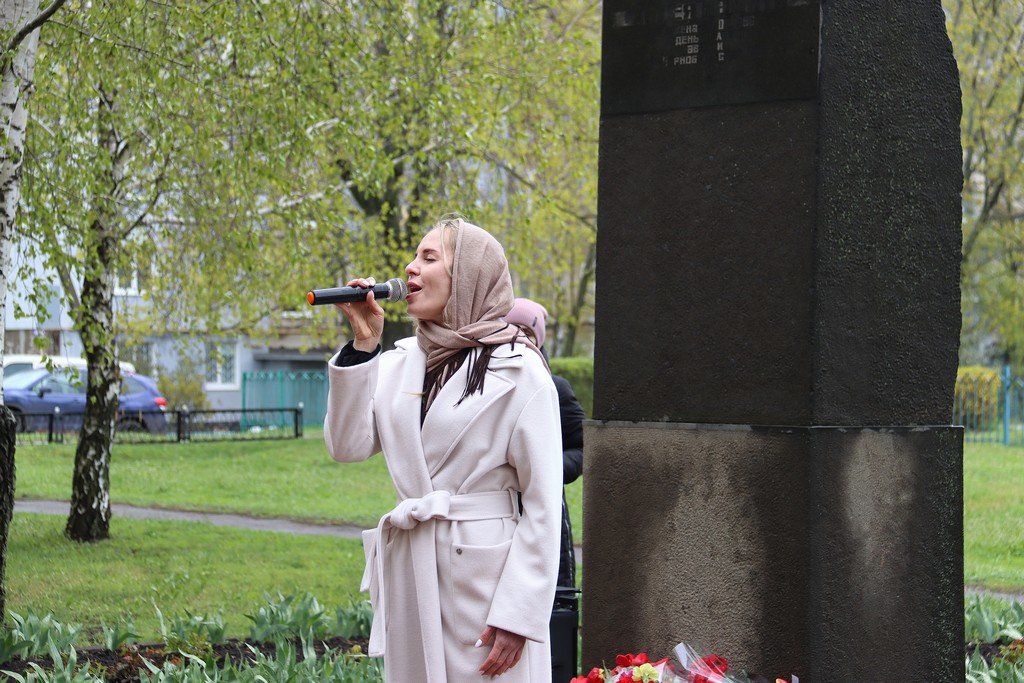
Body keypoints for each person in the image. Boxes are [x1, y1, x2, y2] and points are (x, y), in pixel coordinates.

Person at [323, 216, 563, 682]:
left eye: (429, 257)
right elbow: (347, 446)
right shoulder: (398, 362)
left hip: (485, 588)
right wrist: (364, 345)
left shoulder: (520, 369)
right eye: (413, 256)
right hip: (413, 572)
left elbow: (542, 503)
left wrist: (519, 612)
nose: (410, 268)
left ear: (470, 274)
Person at [504, 297, 585, 590]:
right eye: (510, 329)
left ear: (538, 341)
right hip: (494, 516)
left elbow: (583, 448)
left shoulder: (556, 389)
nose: (518, 339)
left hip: (545, 511)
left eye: (526, 332)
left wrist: (547, 469)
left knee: (550, 597)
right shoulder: (482, 386)